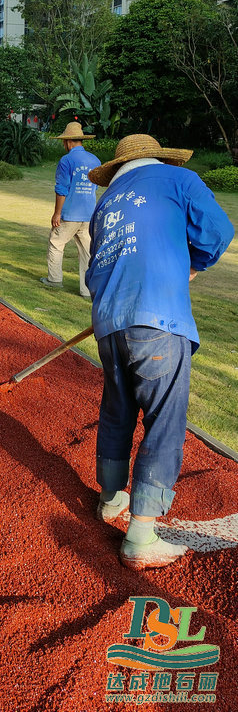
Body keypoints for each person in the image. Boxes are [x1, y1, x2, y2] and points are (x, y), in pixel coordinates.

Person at [86, 134, 234, 571]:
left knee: (117, 410)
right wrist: (194, 265)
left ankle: (111, 500)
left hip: (109, 324)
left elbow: (96, 270)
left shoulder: (106, 202)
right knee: (164, 420)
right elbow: (217, 232)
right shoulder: (179, 179)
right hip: (157, 320)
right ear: (157, 157)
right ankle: (142, 534)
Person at [41, 121, 101, 298]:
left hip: (70, 214)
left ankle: (54, 279)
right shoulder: (95, 160)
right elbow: (95, 187)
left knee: (56, 243)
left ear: (68, 142)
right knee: (87, 252)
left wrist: (57, 213)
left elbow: (61, 189)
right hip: (89, 214)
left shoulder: (66, 160)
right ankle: (86, 289)